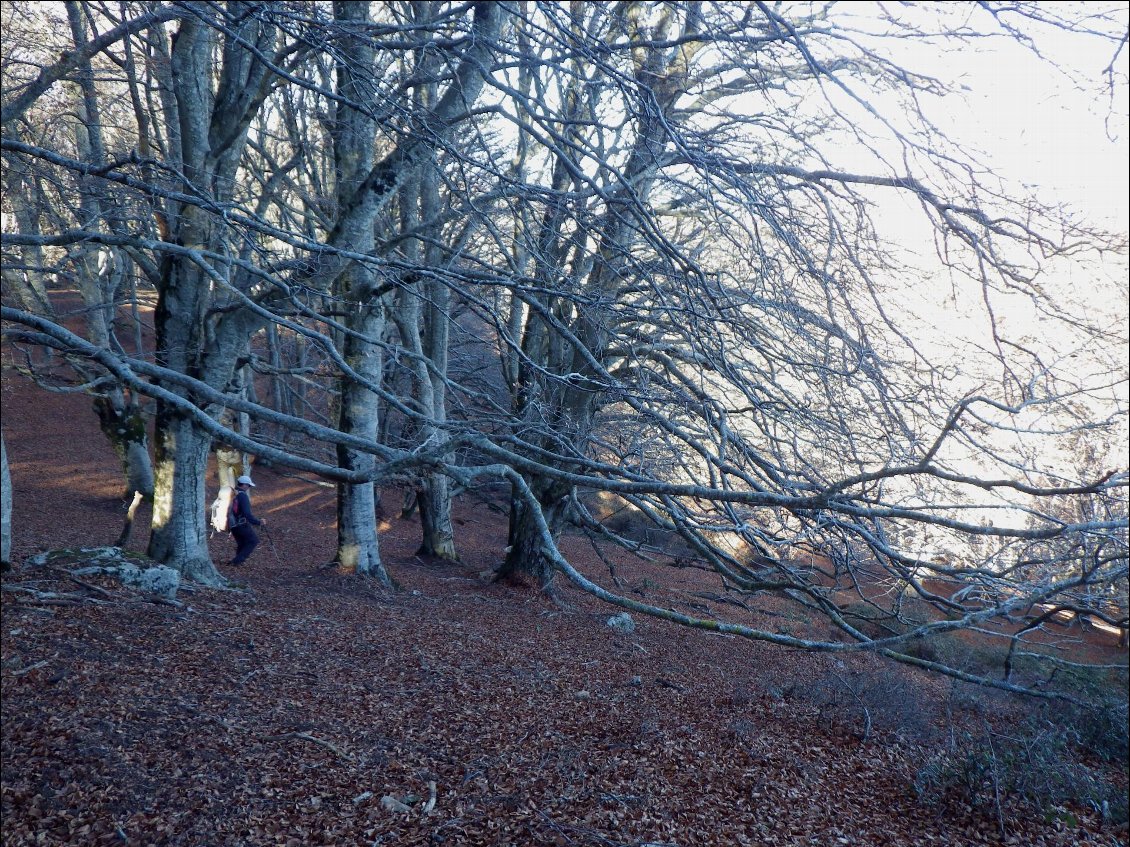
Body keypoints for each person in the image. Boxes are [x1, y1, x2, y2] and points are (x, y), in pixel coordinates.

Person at [227, 474, 265, 566]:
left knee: (242, 543)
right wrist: (258, 522)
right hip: (241, 524)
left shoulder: (233, 494)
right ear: (243, 485)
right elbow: (247, 514)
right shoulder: (243, 496)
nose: (249, 487)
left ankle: (236, 562)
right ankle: (237, 561)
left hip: (232, 524)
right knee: (253, 541)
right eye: (248, 485)